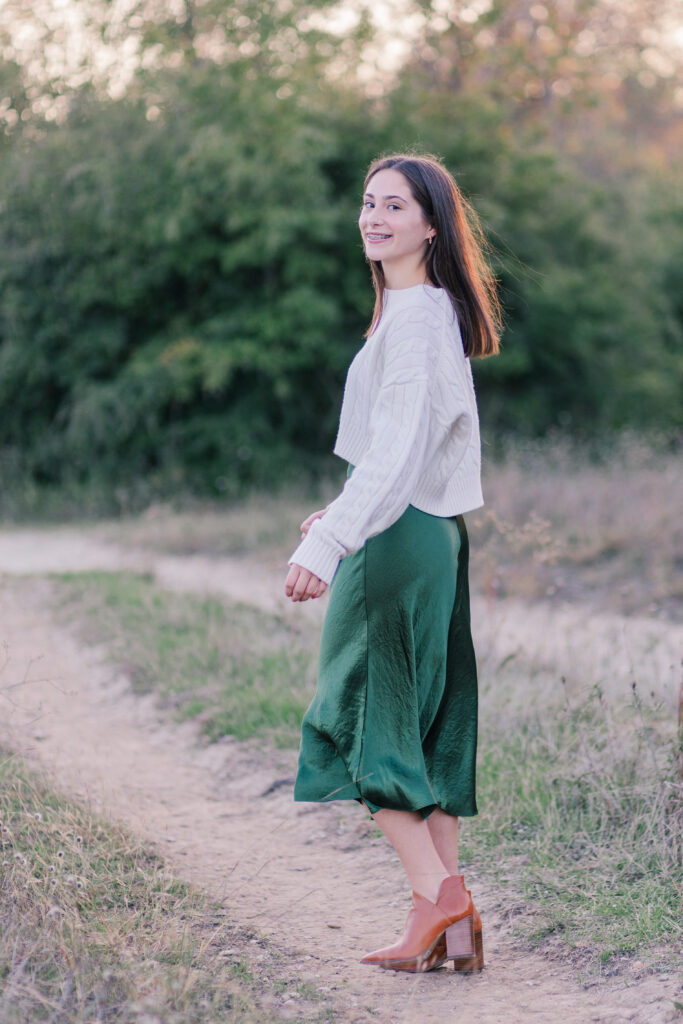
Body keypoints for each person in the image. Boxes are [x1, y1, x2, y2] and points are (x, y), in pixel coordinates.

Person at [284, 152, 501, 973]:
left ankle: (441, 899)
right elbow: (394, 451)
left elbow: (398, 449)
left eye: (394, 207)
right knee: (426, 728)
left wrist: (330, 539)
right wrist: (337, 512)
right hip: (430, 535)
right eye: (368, 204)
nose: (373, 218)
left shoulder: (413, 318)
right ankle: (445, 927)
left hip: (397, 543)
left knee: (358, 716)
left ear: (431, 225)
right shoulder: (423, 308)